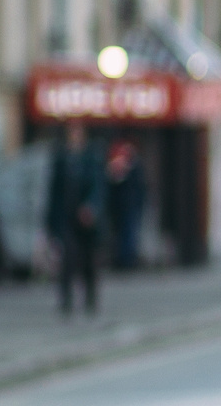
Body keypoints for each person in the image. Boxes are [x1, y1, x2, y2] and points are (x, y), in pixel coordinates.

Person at [44, 125, 106, 317]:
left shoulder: (92, 158)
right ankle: (66, 300)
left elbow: (99, 188)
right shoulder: (61, 159)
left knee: (88, 260)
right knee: (67, 259)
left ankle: (90, 298)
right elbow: (53, 192)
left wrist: (91, 208)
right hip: (66, 217)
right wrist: (50, 222)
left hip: (87, 220)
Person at [105, 139, 148, 270]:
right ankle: (122, 259)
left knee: (129, 234)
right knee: (121, 234)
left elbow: (140, 188)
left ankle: (128, 260)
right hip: (120, 208)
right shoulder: (116, 169)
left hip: (130, 207)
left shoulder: (134, 168)